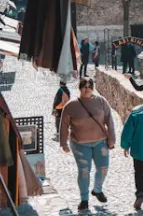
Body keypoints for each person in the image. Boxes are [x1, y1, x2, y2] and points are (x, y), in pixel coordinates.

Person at [60, 78, 116, 212]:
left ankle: (97, 190)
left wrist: (112, 139)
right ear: (79, 88)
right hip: (80, 144)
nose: (87, 89)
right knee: (84, 171)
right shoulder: (71, 105)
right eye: (84, 86)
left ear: (93, 88)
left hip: (100, 142)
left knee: (103, 169)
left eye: (89, 86)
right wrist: (63, 143)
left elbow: (109, 119)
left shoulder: (101, 101)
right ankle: (84, 199)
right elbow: (64, 125)